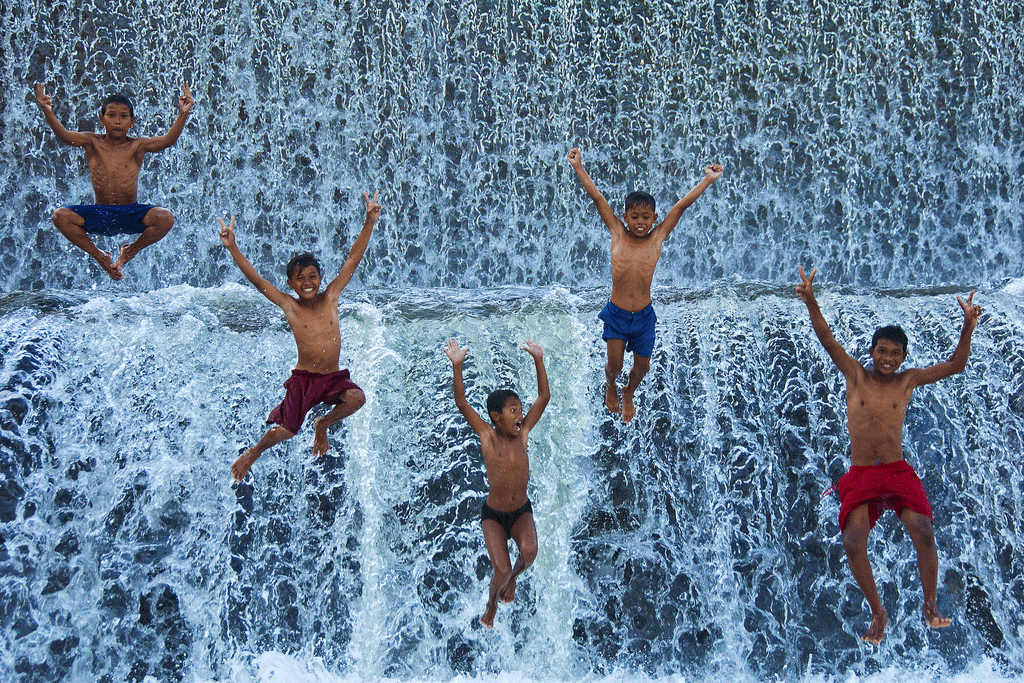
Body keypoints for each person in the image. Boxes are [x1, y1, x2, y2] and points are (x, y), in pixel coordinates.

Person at [795, 265, 982, 645]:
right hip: (862, 473)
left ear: (903, 357)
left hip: (896, 471)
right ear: (871, 351)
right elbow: (827, 339)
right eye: (882, 351)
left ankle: (930, 606)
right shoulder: (856, 376)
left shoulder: (908, 379)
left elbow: (957, 365)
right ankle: (878, 612)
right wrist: (812, 301)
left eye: (895, 354)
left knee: (924, 532)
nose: (887, 359)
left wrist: (967, 326)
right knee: (852, 541)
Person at [219, 190, 381, 482]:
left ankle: (323, 424)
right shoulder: (290, 306)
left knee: (357, 398)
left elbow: (353, 261)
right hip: (305, 380)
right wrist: (233, 248)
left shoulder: (331, 296)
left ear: (321, 278)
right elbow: (257, 280)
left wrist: (368, 222)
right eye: (300, 279)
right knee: (288, 430)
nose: (307, 283)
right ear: (290, 283)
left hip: (332, 378)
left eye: (312, 277)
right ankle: (253, 452)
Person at [567, 147, 723, 422]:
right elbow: (597, 197)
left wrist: (708, 180)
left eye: (646, 218)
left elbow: (681, 206)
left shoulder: (657, 238)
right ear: (625, 217)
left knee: (642, 367)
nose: (640, 223)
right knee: (614, 365)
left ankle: (629, 392)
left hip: (644, 316)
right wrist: (579, 166)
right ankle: (611, 386)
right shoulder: (617, 233)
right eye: (634, 217)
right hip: (616, 314)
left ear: (654, 219)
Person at [33, 82, 194, 280]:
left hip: (131, 213)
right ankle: (100, 256)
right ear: (101, 119)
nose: (117, 121)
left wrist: (183, 113)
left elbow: (168, 140)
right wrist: (48, 111)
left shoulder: (138, 146)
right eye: (111, 115)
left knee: (165, 217)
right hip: (100, 213)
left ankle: (130, 251)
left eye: (123, 116)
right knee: (60, 216)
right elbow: (65, 136)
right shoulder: (92, 141)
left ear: (132, 121)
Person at [443, 337, 550, 628]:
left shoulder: (524, 432)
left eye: (519, 408)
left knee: (529, 553)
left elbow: (543, 398)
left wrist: (538, 359)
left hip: (521, 511)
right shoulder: (488, 437)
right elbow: (462, 402)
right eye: (513, 410)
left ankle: (512, 581)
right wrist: (457, 366)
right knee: (500, 569)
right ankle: (492, 603)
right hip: (494, 516)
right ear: (495, 417)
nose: (520, 414)